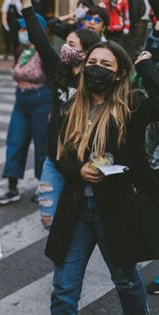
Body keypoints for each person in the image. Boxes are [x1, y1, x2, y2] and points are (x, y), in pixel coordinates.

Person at [46, 41, 159, 314]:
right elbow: (55, 150)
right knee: (63, 290)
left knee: (126, 280)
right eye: (92, 63)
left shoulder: (131, 106)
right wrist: (78, 170)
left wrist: (146, 68)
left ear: (120, 74)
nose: (97, 69)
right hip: (76, 209)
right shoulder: (71, 106)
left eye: (106, 65)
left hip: (116, 208)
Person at [19, 0, 101, 229]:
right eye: (65, 42)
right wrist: (27, 6)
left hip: (85, 161)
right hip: (55, 159)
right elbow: (40, 40)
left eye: (71, 44)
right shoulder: (59, 71)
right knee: (48, 219)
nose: (65, 47)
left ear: (85, 52)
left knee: (91, 220)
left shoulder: (95, 82)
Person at [0, 13, 53, 205]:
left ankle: (42, 186)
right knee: (15, 143)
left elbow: (55, 80)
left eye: (26, 29)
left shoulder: (45, 53)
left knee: (42, 146)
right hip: (21, 101)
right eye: (21, 29)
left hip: (42, 101)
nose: (22, 32)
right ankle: (12, 188)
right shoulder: (21, 50)